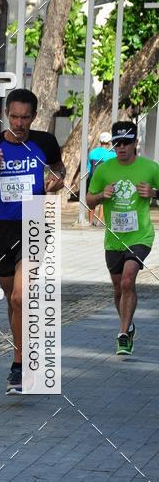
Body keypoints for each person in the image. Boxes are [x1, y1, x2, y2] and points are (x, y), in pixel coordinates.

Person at [0, 88, 65, 395]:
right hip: (1, 230)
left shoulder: (45, 142)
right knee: (13, 300)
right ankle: (22, 349)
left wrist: (56, 179)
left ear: (34, 117)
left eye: (25, 117)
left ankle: (20, 363)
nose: (19, 123)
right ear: (6, 114)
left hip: (35, 222)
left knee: (20, 298)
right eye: (14, 116)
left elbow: (58, 170)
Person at [86, 120, 159, 356]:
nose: (121, 147)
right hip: (114, 238)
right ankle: (129, 324)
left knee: (128, 280)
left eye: (126, 143)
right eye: (117, 143)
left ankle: (123, 334)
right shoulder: (104, 170)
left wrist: (154, 193)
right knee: (118, 289)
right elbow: (88, 199)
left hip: (141, 235)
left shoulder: (150, 168)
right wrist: (100, 196)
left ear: (135, 143)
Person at [87, 131, 116, 224]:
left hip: (93, 180)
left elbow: (89, 168)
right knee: (103, 201)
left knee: (91, 201)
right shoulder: (113, 155)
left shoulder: (92, 153)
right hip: (106, 181)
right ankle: (99, 221)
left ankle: (90, 221)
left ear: (100, 141)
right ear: (109, 142)